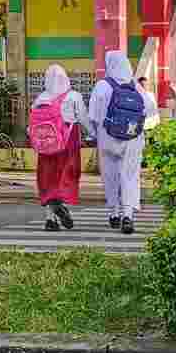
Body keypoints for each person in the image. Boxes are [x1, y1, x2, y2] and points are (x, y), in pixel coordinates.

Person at [88, 50, 157, 235]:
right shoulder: (136, 87)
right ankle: (128, 215)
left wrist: (96, 135)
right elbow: (150, 111)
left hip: (107, 138)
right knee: (130, 175)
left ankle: (114, 213)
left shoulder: (102, 86)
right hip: (132, 139)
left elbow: (93, 117)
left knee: (110, 175)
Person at [31, 64, 87, 231]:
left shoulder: (41, 98)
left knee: (47, 178)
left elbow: (32, 123)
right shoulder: (74, 96)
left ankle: (50, 220)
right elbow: (83, 118)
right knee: (65, 175)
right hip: (67, 142)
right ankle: (59, 203)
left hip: (45, 145)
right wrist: (96, 134)